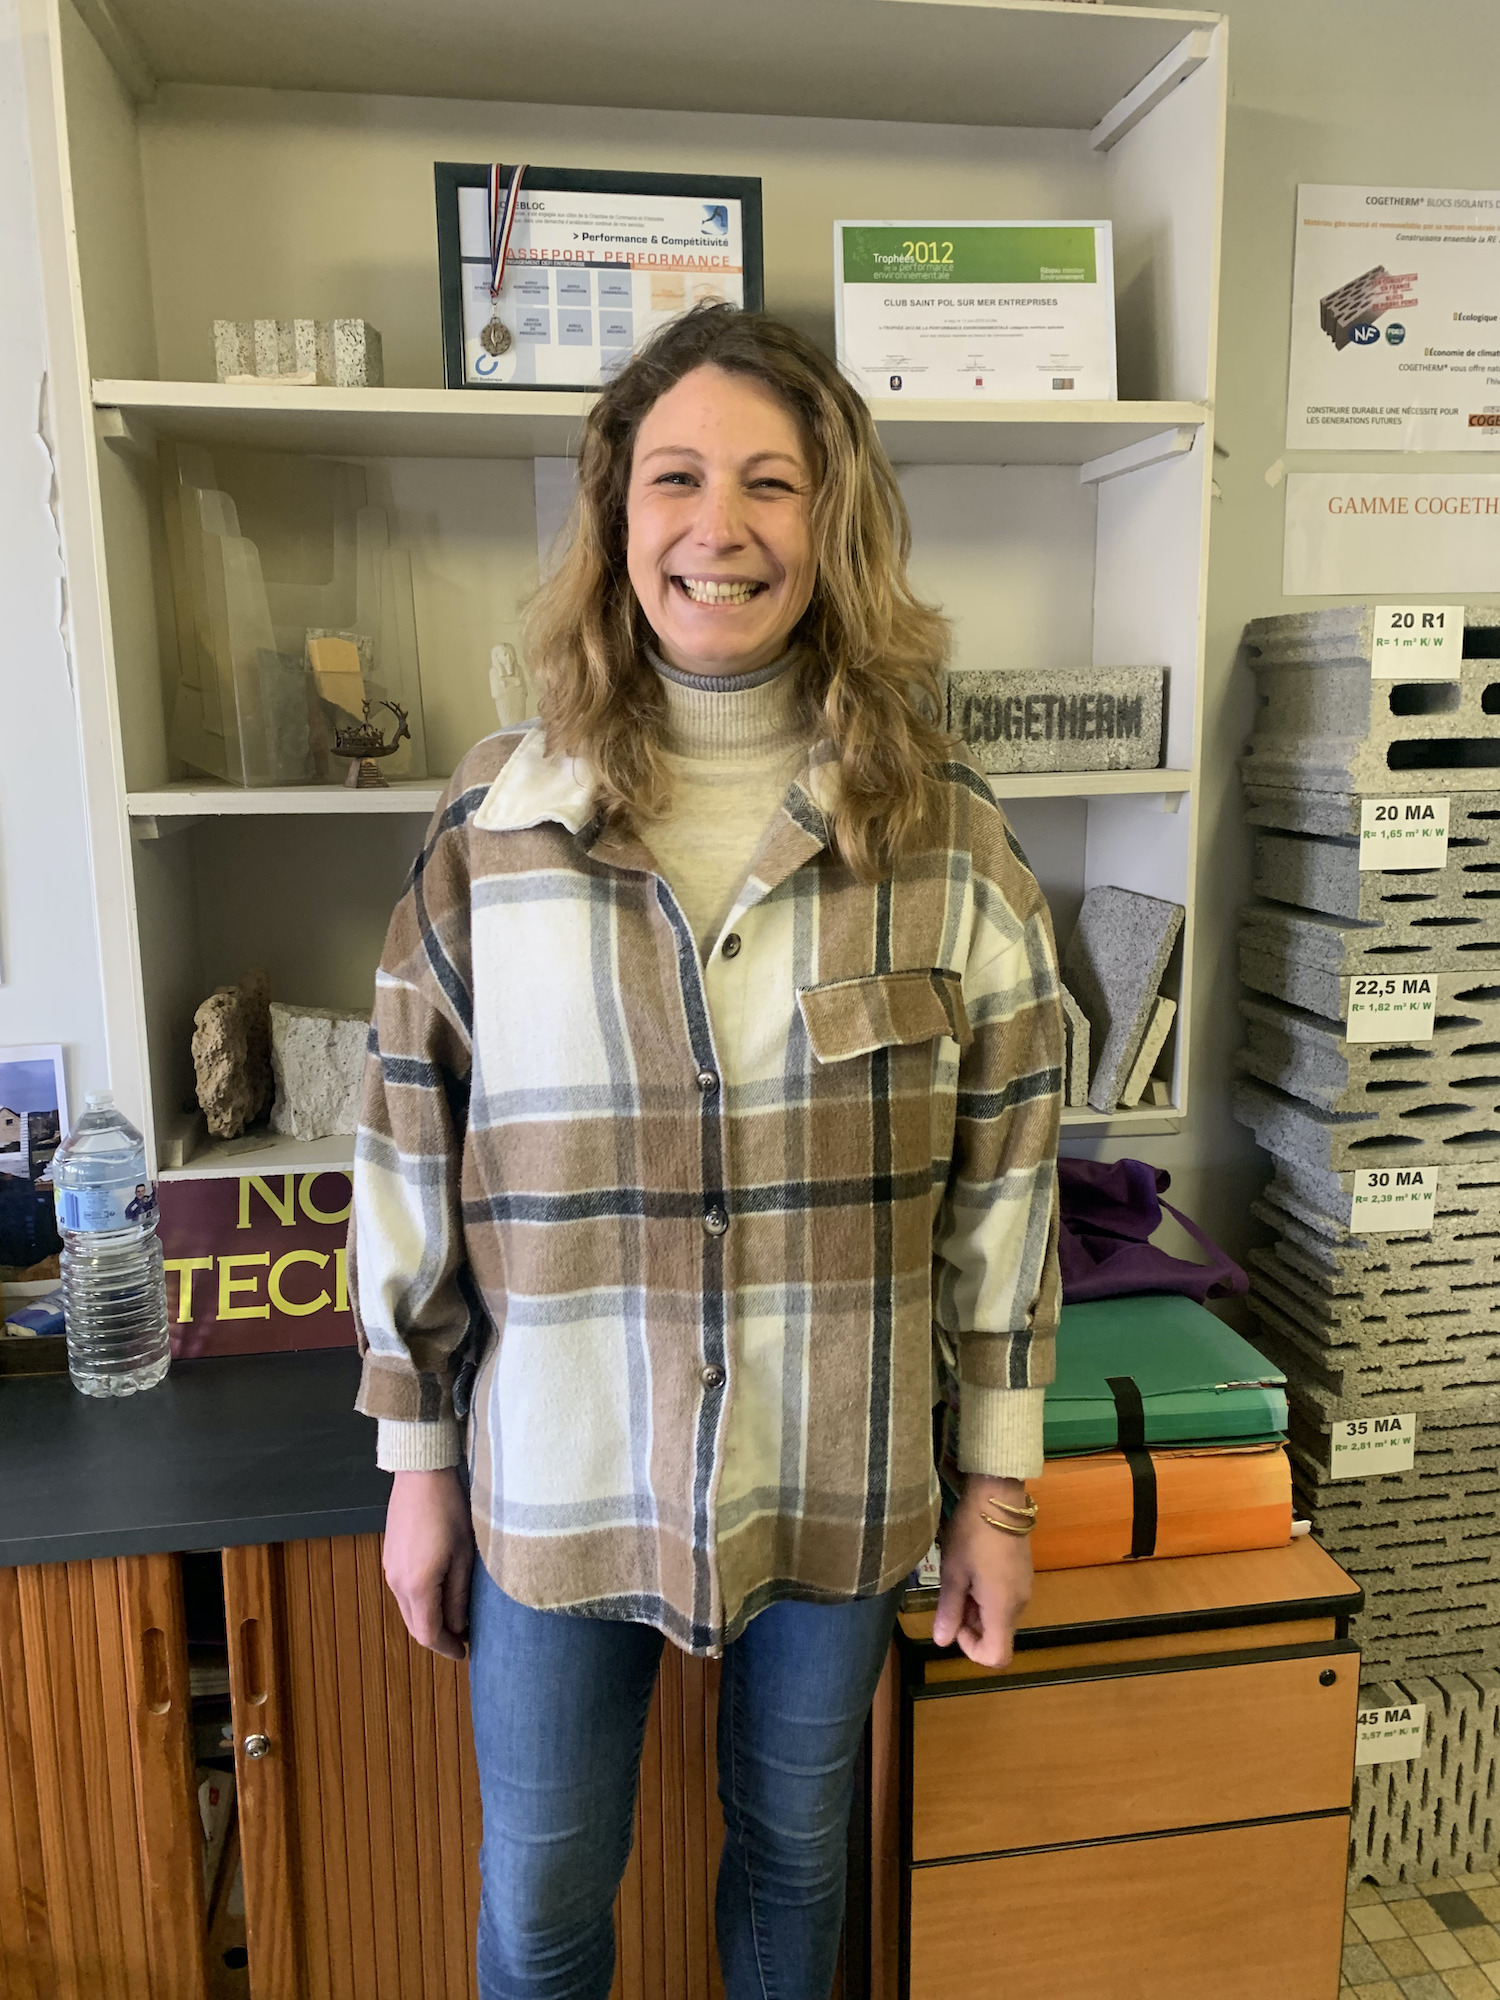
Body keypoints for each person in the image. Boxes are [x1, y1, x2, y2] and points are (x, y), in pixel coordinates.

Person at [351, 303, 1063, 2000]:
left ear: (837, 523)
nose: (718, 525)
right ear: (618, 517)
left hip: (842, 1477)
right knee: (539, 1910)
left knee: (795, 1883)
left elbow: (1010, 1189)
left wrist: (1002, 1493)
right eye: (675, 478)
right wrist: (417, 1472)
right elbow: (404, 1148)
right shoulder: (494, 827)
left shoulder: (944, 837)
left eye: (772, 482)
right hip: (557, 1475)